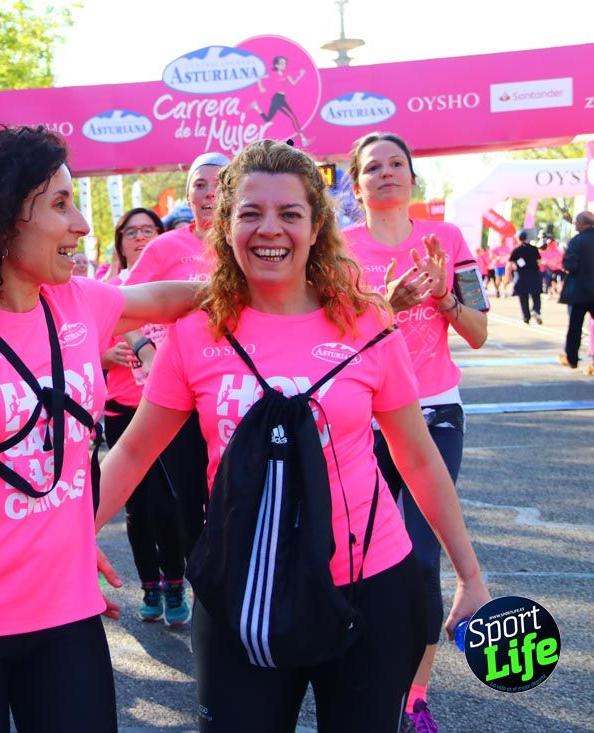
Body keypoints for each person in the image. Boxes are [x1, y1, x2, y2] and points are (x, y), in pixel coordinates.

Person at [98, 139, 490, 732]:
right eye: (250, 213)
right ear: (225, 226)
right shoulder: (198, 331)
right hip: (240, 587)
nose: (269, 229)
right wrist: (71, 544)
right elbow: (132, 452)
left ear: (316, 227)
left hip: (368, 586)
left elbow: (417, 457)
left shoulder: (365, 320)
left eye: (289, 213)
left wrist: (470, 575)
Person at [0, 125, 202, 731]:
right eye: (60, 204)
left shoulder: (79, 301)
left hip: (67, 616)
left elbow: (179, 298)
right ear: (3, 223)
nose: (80, 224)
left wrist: (285, 273)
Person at [343, 131, 489, 730]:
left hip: (435, 414)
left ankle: (415, 696)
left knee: (421, 556)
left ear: (411, 176)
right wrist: (390, 302)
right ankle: (366, 673)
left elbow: (478, 332)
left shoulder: (448, 239)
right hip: (361, 417)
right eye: (372, 167)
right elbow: (330, 335)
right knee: (358, 555)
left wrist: (446, 296)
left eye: (395, 163)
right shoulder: (339, 248)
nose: (385, 172)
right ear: (357, 186)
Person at [123, 152, 228, 601]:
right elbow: (120, 305)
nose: (209, 193)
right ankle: (205, 593)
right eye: (199, 184)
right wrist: (145, 351)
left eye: (219, 183)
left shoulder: (248, 242)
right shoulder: (165, 248)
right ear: (188, 195)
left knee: (235, 495)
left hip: (236, 394)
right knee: (188, 502)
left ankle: (237, 589)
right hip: (180, 395)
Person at [102, 208, 188, 626]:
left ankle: (175, 584)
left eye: (148, 231)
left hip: (169, 411)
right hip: (122, 408)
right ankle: (149, 586)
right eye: (131, 232)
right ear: (120, 242)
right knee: (138, 508)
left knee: (169, 504)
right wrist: (108, 356)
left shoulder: (179, 289)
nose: (140, 238)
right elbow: (78, 352)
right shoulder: (106, 292)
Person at [559, 210, 594, 370]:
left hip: (579, 291)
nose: (574, 225)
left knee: (575, 326)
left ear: (582, 223)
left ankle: (572, 358)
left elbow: (570, 265)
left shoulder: (576, 241)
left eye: (576, 223)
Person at [249, 55, 310, 146]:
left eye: (285, 63)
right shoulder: (273, 74)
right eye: (281, 63)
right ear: (276, 65)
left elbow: (293, 83)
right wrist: (261, 88)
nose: (284, 65)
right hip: (277, 99)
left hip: (281, 98)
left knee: (268, 119)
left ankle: (256, 107)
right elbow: (259, 77)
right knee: (293, 117)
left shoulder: (287, 74)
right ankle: (303, 138)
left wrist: (301, 75)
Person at [508, 231, 542, 324]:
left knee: (523, 296)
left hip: (522, 276)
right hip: (534, 275)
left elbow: (510, 264)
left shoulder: (516, 250)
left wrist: (508, 276)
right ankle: (536, 310)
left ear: (518, 238)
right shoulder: (534, 248)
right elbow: (539, 262)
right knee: (536, 294)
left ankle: (526, 317)